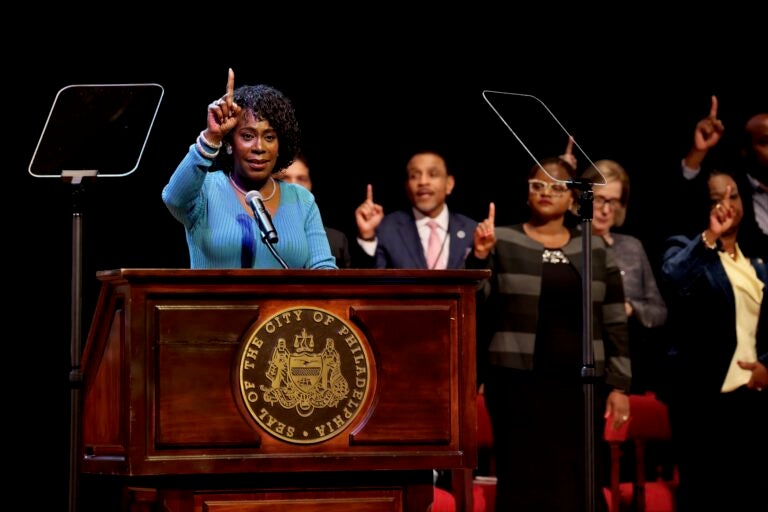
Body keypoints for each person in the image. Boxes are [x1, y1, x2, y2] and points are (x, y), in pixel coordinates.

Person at [468, 156, 631, 512]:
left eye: (557, 186)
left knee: (578, 478)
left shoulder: (593, 246)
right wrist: (479, 257)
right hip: (517, 383)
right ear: (527, 193)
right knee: (523, 477)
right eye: (537, 185)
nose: (545, 192)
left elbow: (614, 317)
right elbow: (476, 307)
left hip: (580, 386)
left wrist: (619, 385)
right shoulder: (504, 240)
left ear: (573, 198)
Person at [660, 168, 768, 511]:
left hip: (752, 399)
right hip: (703, 399)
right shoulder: (687, 247)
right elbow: (673, 281)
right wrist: (709, 236)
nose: (727, 204)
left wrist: (767, 366)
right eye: (716, 198)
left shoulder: (758, 263)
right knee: (705, 494)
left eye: (733, 195)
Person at [162, 68, 336, 270]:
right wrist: (212, 136)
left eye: (269, 137)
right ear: (229, 143)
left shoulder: (302, 200)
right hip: (215, 303)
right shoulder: (206, 189)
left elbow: (323, 270)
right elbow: (174, 199)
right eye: (247, 136)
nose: (259, 147)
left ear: (280, 146)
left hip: (287, 304)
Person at [589, 159, 668, 394]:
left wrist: (630, 308)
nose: (605, 210)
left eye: (613, 202)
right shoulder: (567, 244)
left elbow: (659, 312)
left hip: (631, 367)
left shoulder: (632, 247)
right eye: (599, 199)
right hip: (580, 367)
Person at [668, 95, 768, 259]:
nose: (729, 203)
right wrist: (698, 152)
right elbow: (680, 200)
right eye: (765, 142)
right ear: (746, 150)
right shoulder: (735, 184)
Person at [354, 150, 476, 269]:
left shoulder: (471, 230)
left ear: (449, 183)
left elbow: (483, 285)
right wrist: (367, 237)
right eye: (414, 176)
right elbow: (371, 283)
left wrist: (480, 256)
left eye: (433, 174)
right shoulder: (387, 228)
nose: (423, 182)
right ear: (407, 185)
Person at [279, 152, 352, 268]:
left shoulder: (336, 241)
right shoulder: (259, 232)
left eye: (301, 179)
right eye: (285, 178)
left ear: (311, 184)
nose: (294, 186)